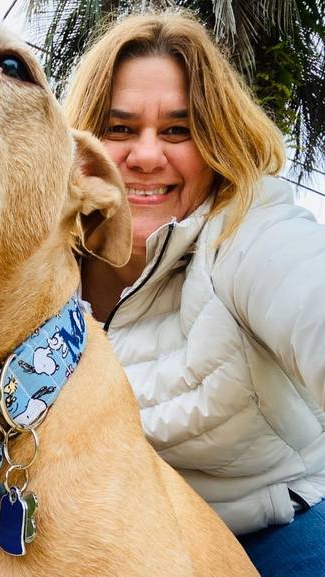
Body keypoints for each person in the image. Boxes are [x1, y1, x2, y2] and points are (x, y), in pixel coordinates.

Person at [64, 10, 325, 577]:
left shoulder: (248, 231)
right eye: (120, 129)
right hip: (115, 541)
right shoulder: (43, 264)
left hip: (271, 525)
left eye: (177, 131)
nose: (146, 156)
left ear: (214, 145)